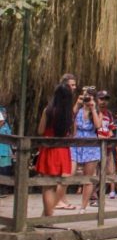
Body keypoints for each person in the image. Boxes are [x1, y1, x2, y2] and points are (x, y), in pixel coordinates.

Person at [36, 84, 75, 216]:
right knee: (57, 184)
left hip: (49, 149)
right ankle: (46, 215)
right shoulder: (71, 113)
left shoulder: (48, 110)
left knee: (48, 186)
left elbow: (40, 131)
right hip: (63, 150)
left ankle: (48, 217)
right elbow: (73, 134)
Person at [72, 88, 102, 210]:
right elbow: (69, 117)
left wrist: (93, 108)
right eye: (85, 97)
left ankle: (83, 206)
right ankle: (61, 200)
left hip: (90, 144)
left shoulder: (97, 111)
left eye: (89, 97)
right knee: (69, 172)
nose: (87, 99)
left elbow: (98, 125)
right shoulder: (78, 110)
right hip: (76, 142)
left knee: (88, 176)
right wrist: (77, 103)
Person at [96, 90, 117, 200]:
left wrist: (110, 136)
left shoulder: (109, 114)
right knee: (96, 170)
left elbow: (111, 129)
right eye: (101, 99)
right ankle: (95, 192)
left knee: (110, 169)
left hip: (107, 146)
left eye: (106, 99)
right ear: (97, 100)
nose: (104, 102)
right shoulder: (93, 112)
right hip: (95, 146)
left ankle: (111, 191)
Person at [0, 108, 12, 196]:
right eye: (2, 113)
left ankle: (4, 189)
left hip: (6, 152)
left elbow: (11, 138)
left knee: (6, 170)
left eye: (5, 113)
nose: (4, 115)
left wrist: (11, 151)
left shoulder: (7, 125)